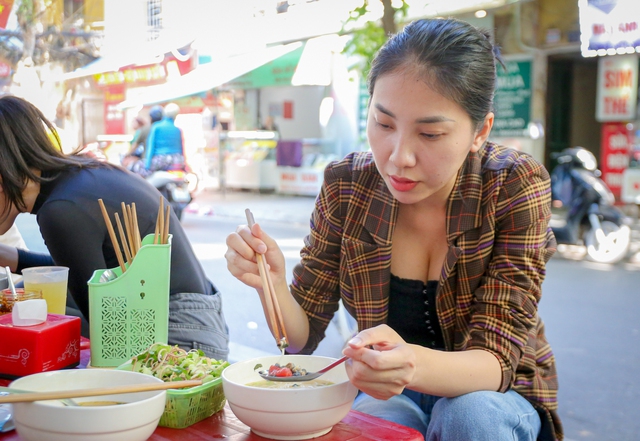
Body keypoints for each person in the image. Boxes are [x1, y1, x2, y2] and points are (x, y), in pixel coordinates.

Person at [225, 18, 561, 441]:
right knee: (383, 421)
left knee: (469, 415)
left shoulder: (512, 184)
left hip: (496, 395)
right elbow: (299, 341)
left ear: (480, 132)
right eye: (384, 124)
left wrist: (412, 365)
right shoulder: (347, 185)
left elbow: (496, 360)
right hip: (390, 392)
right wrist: (270, 283)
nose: (399, 157)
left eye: (430, 133)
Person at [0, 95, 229, 361]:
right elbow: (92, 273)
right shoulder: (84, 177)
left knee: (37, 317)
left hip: (176, 340)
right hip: (201, 325)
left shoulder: (60, 210)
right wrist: (10, 257)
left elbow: (108, 330)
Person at [144, 102, 185, 173]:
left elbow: (150, 147)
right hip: (177, 162)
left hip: (161, 161)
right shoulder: (178, 130)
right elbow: (182, 149)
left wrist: (147, 166)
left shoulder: (156, 127)